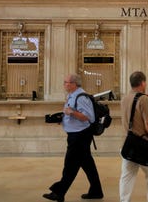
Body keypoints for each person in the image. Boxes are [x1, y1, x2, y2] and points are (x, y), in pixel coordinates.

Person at [43, 74, 104, 202]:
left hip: (80, 136)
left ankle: (59, 192)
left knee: (70, 165)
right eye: (64, 82)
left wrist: (71, 113)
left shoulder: (81, 97)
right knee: (87, 164)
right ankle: (96, 191)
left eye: (66, 82)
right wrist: (64, 119)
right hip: (75, 134)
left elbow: (89, 117)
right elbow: (73, 114)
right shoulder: (72, 95)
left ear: (74, 84)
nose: (64, 84)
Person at [120, 71, 148, 202]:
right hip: (142, 143)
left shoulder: (125, 98)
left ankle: (124, 200)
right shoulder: (144, 99)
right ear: (143, 83)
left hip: (128, 143)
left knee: (127, 176)